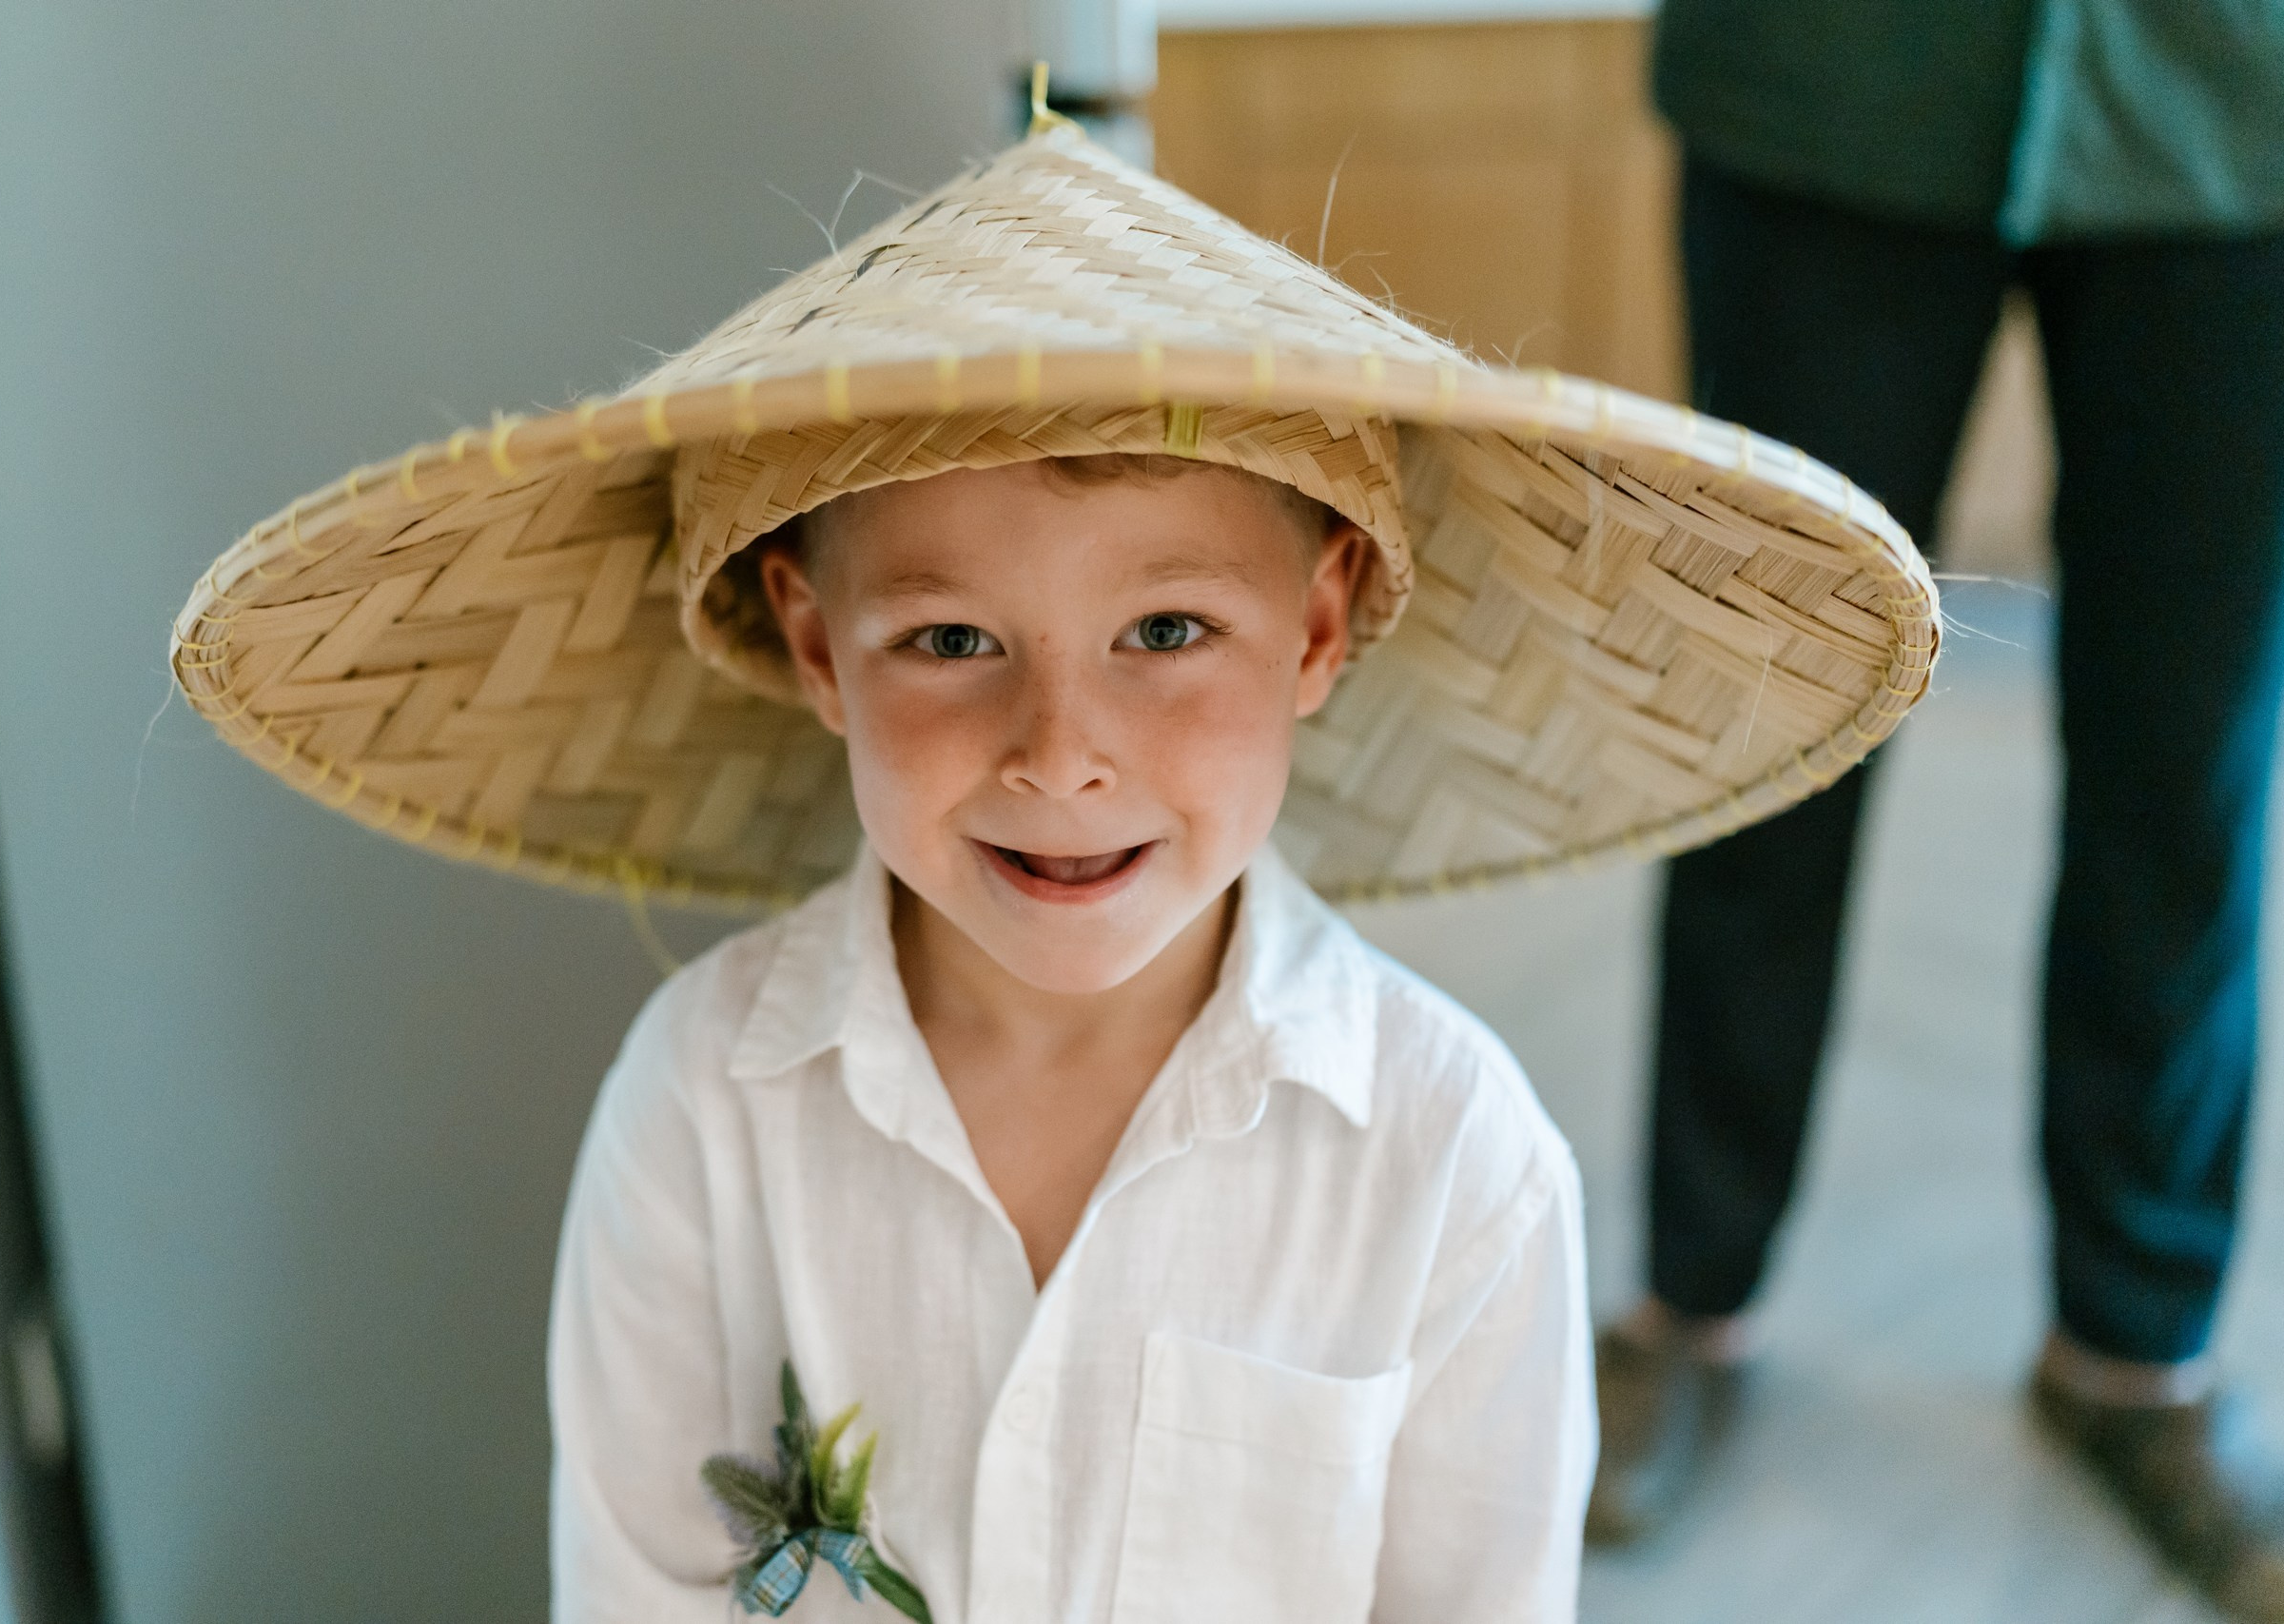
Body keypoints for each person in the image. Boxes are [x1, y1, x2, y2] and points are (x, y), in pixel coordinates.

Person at [166, 93, 1938, 1624]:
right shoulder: (702, 1107)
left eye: (1167, 630)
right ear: (810, 640)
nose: (1061, 752)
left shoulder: (1457, 1168)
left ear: (1319, 630)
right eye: (950, 642)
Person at [1589, 4, 2284, 1618]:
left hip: (2244, 112)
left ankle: (2135, 1355)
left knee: (2188, 776)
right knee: (1768, 742)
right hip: (1829, 86)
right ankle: (1690, 1306)